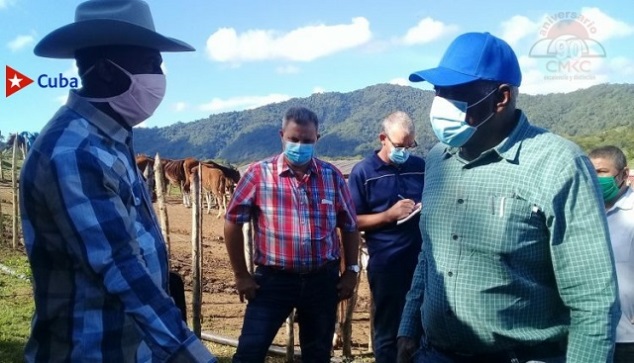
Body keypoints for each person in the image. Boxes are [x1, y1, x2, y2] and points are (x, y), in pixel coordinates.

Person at [396, 32, 619, 363]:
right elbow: (430, 253)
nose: (440, 104)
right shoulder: (437, 159)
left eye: (455, 95)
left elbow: (593, 300)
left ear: (501, 98)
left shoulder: (557, 165)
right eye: (438, 92)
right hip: (434, 353)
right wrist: (408, 327)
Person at [20, 1, 217, 362]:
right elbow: (122, 269)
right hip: (91, 351)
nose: (159, 75)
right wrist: (193, 356)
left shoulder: (109, 140)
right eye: (150, 63)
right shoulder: (75, 152)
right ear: (108, 72)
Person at [224, 106, 360, 363]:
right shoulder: (257, 174)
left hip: (322, 280)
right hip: (273, 282)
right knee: (249, 353)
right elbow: (232, 222)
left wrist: (351, 271)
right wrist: (241, 275)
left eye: (307, 141)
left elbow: (350, 226)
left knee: (318, 355)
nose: (300, 145)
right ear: (281, 136)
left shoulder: (331, 177)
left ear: (317, 139)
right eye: (294, 139)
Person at [347, 111, 424, 363]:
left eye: (409, 145)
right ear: (383, 138)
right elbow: (352, 220)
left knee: (423, 327)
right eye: (399, 145)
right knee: (388, 330)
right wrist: (388, 216)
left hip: (423, 263)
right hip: (387, 264)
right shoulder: (363, 173)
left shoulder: (420, 168)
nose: (405, 151)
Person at [589, 146, 634, 363]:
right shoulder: (583, 213)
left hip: (628, 338)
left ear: (624, 175)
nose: (594, 178)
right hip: (589, 335)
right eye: (590, 172)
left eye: (601, 172)